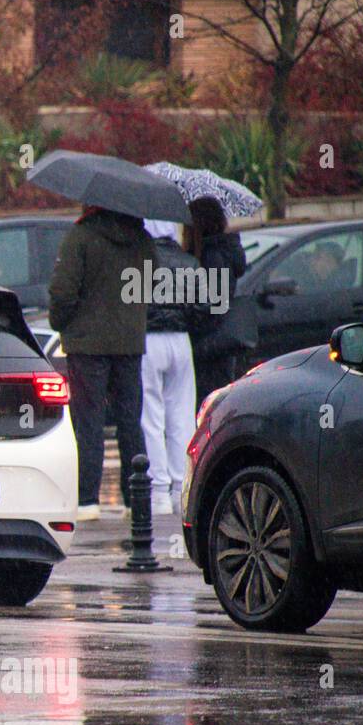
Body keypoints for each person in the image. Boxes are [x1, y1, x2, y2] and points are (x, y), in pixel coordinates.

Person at [48, 205, 155, 523]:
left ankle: (87, 501)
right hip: (129, 343)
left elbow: (63, 290)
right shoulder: (142, 240)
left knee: (89, 422)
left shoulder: (79, 237)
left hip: (87, 345)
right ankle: (134, 500)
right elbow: (151, 285)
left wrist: (62, 321)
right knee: (130, 421)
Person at [141, 220, 201, 517]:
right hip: (180, 340)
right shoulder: (188, 261)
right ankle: (182, 489)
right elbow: (202, 306)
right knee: (181, 415)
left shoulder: (139, 258)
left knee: (151, 417)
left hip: (147, 342)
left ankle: (158, 493)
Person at [185, 196, 248, 403]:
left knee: (209, 404)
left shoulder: (212, 256)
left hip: (210, 347)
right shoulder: (221, 251)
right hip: (218, 345)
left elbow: (214, 305)